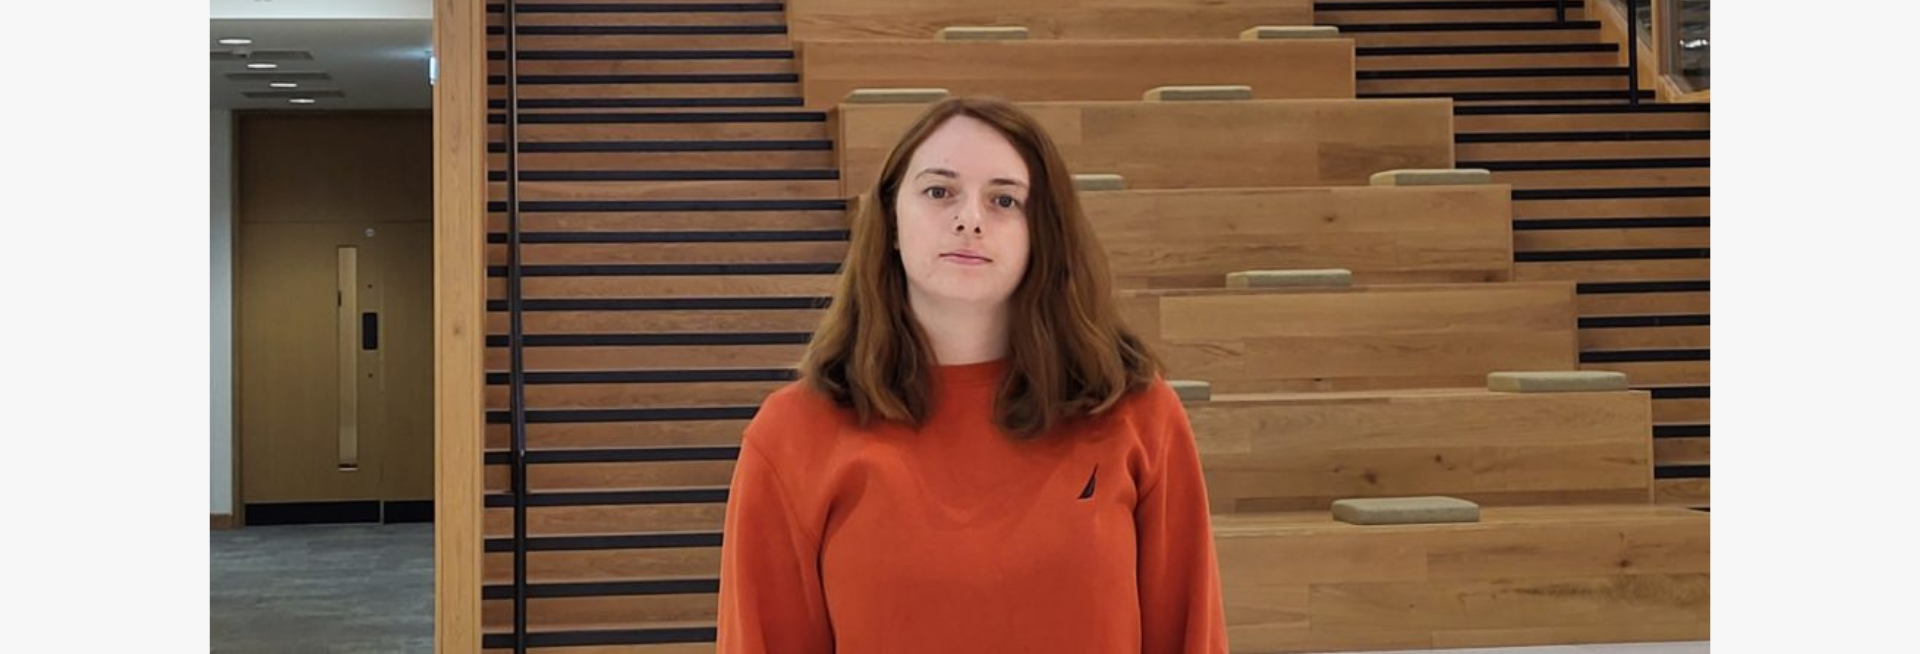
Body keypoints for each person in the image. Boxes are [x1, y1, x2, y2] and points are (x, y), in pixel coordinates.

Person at [716, 96, 1227, 653]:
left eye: (1004, 199)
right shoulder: (792, 435)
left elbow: (1189, 639)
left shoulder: (1137, 414)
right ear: (888, 219)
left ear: (1042, 234)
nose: (969, 219)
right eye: (940, 191)